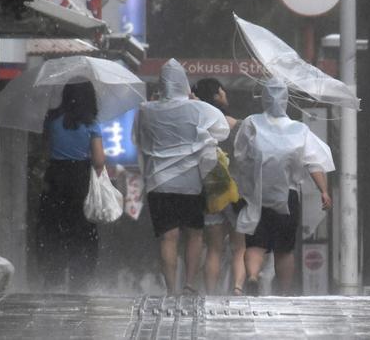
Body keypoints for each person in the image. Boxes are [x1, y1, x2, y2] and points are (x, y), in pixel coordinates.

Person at [232, 77, 334, 296]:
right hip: (287, 196)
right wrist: (323, 190)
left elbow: (240, 155)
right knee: (284, 249)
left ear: (264, 99)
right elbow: (314, 163)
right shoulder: (299, 130)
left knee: (255, 243)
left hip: (256, 194)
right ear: (286, 100)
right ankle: (285, 292)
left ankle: (251, 276)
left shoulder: (251, 123)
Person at [135, 60, 229, 295]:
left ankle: (170, 289)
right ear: (184, 83)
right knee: (194, 235)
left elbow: (140, 139)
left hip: (159, 182)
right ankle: (189, 285)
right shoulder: (197, 109)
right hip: (190, 183)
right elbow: (222, 130)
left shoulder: (146, 110)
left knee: (168, 237)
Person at [36, 80, 106, 291]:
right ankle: (80, 278)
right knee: (83, 230)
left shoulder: (52, 119)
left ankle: (54, 275)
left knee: (54, 226)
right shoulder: (91, 123)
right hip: (80, 179)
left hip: (55, 177)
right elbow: (99, 160)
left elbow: (45, 148)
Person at [193, 78, 247, 295]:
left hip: (212, 190)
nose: (225, 94)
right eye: (222, 91)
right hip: (237, 193)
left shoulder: (197, 125)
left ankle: (211, 291)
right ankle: (237, 288)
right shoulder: (237, 125)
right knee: (239, 247)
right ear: (216, 96)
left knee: (214, 248)